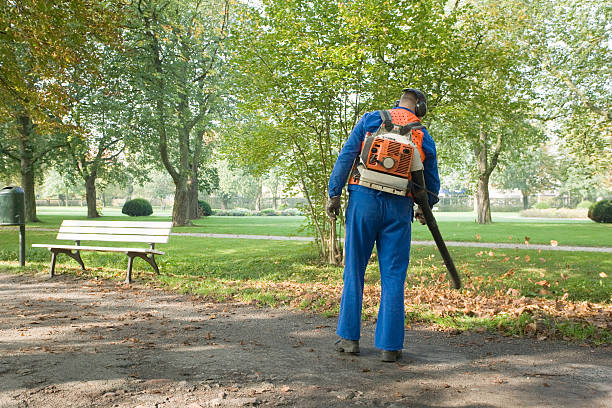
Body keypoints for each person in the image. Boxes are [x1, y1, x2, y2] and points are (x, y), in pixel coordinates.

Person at [326, 88, 440, 362]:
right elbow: (432, 182)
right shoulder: (422, 134)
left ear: (396, 103)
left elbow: (347, 156)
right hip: (399, 207)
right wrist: (426, 209)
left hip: (363, 198)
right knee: (393, 275)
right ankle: (390, 346)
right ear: (420, 108)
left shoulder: (370, 120)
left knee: (354, 269)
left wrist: (334, 193)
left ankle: (349, 339)